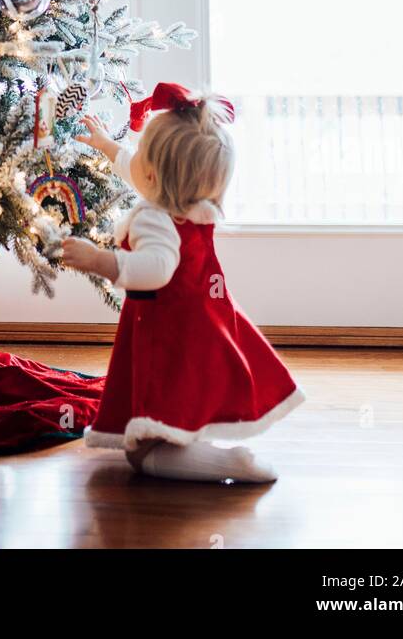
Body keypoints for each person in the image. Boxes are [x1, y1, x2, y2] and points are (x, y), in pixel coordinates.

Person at [61, 82, 304, 482]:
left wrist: (100, 260)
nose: (134, 158)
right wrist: (108, 147)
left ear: (155, 175)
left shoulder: (153, 219)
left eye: (141, 154)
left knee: (142, 451)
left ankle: (228, 464)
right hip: (205, 324)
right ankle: (194, 440)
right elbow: (142, 174)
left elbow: (156, 269)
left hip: (168, 336)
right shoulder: (188, 207)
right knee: (189, 402)